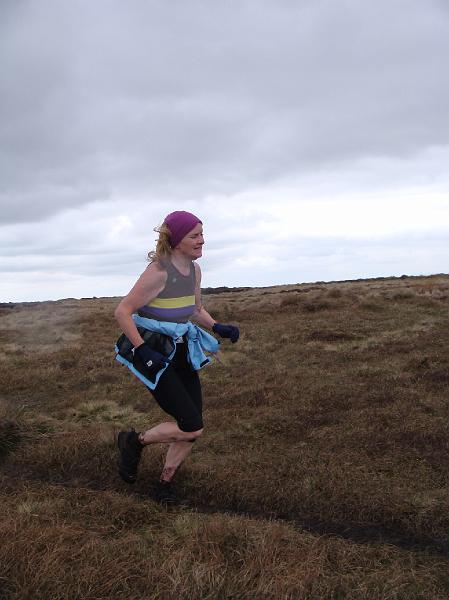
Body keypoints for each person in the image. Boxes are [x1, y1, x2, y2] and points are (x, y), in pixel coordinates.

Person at [114, 210, 239, 504]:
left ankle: (164, 485)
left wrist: (216, 325)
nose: (202, 241)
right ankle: (133, 442)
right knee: (191, 425)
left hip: (181, 349)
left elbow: (194, 309)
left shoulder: (194, 271)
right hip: (154, 352)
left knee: (192, 430)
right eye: (195, 236)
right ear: (177, 240)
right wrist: (142, 351)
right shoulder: (158, 272)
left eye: (202, 235)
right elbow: (122, 311)